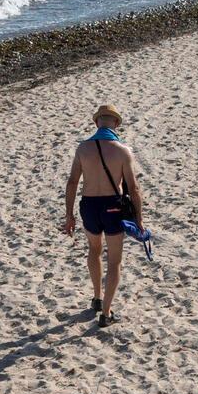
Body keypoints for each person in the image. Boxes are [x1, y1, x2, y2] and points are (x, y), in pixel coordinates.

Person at [62, 105, 146, 326]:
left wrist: (69, 215)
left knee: (94, 249)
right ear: (116, 123)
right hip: (112, 207)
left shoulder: (83, 149)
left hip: (89, 205)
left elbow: (72, 182)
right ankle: (106, 313)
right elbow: (133, 188)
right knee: (115, 260)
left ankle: (97, 298)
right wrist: (139, 218)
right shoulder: (122, 151)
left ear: (96, 122)